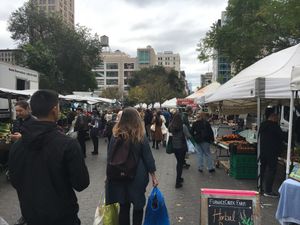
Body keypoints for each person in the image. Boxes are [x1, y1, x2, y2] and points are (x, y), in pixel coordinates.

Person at [8, 89, 89, 225]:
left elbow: (14, 180)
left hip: (31, 216)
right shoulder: (68, 144)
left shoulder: (17, 145)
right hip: (63, 218)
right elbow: (81, 183)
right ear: (54, 109)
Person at [105, 107, 158, 225]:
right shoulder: (140, 135)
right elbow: (148, 157)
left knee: (123, 206)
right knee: (138, 206)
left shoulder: (115, 135)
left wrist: (107, 175)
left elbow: (110, 157)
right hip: (137, 176)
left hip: (118, 174)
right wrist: (153, 176)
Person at [259, 113, 283, 197]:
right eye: (277, 119)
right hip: (272, 151)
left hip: (262, 150)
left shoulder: (262, 125)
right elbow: (281, 137)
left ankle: (259, 187)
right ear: (274, 118)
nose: (278, 121)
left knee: (262, 169)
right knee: (271, 170)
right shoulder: (275, 127)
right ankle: (268, 190)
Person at [169, 112, 191, 188]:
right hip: (182, 147)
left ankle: (179, 178)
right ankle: (177, 182)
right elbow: (188, 136)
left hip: (175, 147)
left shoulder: (171, 126)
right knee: (180, 164)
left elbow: (170, 133)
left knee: (179, 162)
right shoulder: (183, 126)